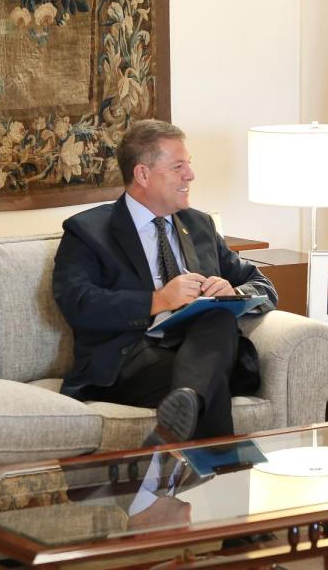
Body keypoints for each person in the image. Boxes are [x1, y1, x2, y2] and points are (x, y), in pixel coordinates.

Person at [53, 119, 277, 447]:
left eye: (189, 164)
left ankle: (181, 419)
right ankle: (221, 472)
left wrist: (234, 293)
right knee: (210, 377)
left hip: (198, 349)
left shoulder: (199, 225)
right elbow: (78, 303)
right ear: (143, 174)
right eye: (178, 166)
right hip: (129, 360)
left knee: (217, 316)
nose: (191, 175)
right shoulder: (88, 231)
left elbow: (263, 285)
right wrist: (159, 300)